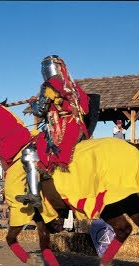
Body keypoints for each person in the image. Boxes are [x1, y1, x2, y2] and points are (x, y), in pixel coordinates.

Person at [20, 54, 91, 208]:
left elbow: (40, 111)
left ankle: (34, 194)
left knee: (29, 153)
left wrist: (33, 103)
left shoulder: (50, 85)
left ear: (46, 69)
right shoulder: (72, 85)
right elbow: (85, 107)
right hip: (78, 126)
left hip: (62, 128)